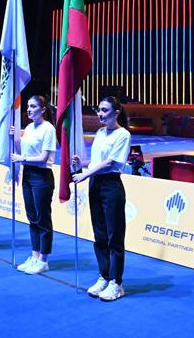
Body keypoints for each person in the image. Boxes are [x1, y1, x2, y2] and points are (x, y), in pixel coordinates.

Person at [71, 96, 131, 302]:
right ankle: (104, 276)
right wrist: (83, 163)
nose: (100, 114)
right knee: (100, 235)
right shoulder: (100, 132)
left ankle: (117, 282)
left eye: (105, 110)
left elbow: (110, 163)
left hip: (111, 187)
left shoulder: (123, 134)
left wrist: (85, 174)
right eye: (99, 110)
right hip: (95, 185)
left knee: (114, 236)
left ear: (116, 113)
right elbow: (97, 161)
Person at [10, 95, 57, 275]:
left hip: (41, 176)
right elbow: (23, 152)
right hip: (28, 174)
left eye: (33, 106)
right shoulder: (29, 128)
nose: (29, 110)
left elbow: (43, 158)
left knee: (43, 218)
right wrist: (15, 139)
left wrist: (22, 158)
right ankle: (34, 255)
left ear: (43, 109)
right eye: (28, 106)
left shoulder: (48, 129)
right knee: (32, 218)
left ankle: (43, 260)